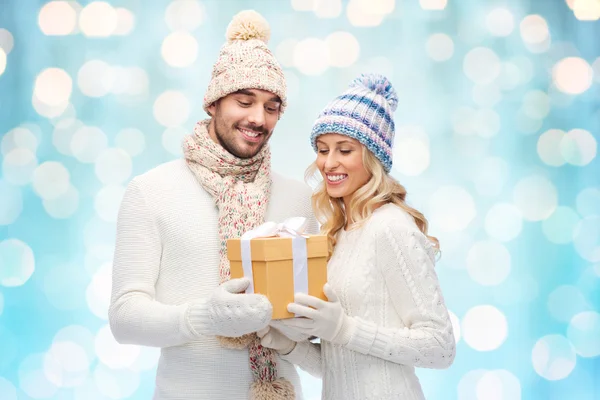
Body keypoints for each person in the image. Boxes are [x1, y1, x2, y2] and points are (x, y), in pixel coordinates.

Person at [109, 10, 316, 400]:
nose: (258, 118)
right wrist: (206, 317)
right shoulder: (151, 191)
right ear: (214, 103)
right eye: (244, 101)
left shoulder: (299, 200)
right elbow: (124, 320)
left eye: (272, 107)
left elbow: (311, 332)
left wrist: (313, 321)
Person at [258, 73, 456, 400]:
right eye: (322, 150)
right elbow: (342, 363)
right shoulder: (338, 233)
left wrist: (344, 329)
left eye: (345, 150)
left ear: (372, 157)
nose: (328, 163)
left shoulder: (391, 226)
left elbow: (440, 348)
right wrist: (289, 344)